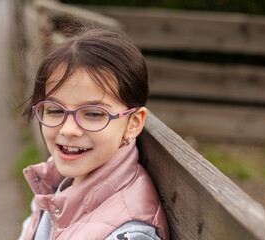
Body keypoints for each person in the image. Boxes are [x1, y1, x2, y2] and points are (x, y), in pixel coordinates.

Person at [19, 28, 169, 240]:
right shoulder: (54, 182)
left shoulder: (130, 233)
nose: (68, 129)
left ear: (133, 123)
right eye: (54, 110)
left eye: (93, 114)